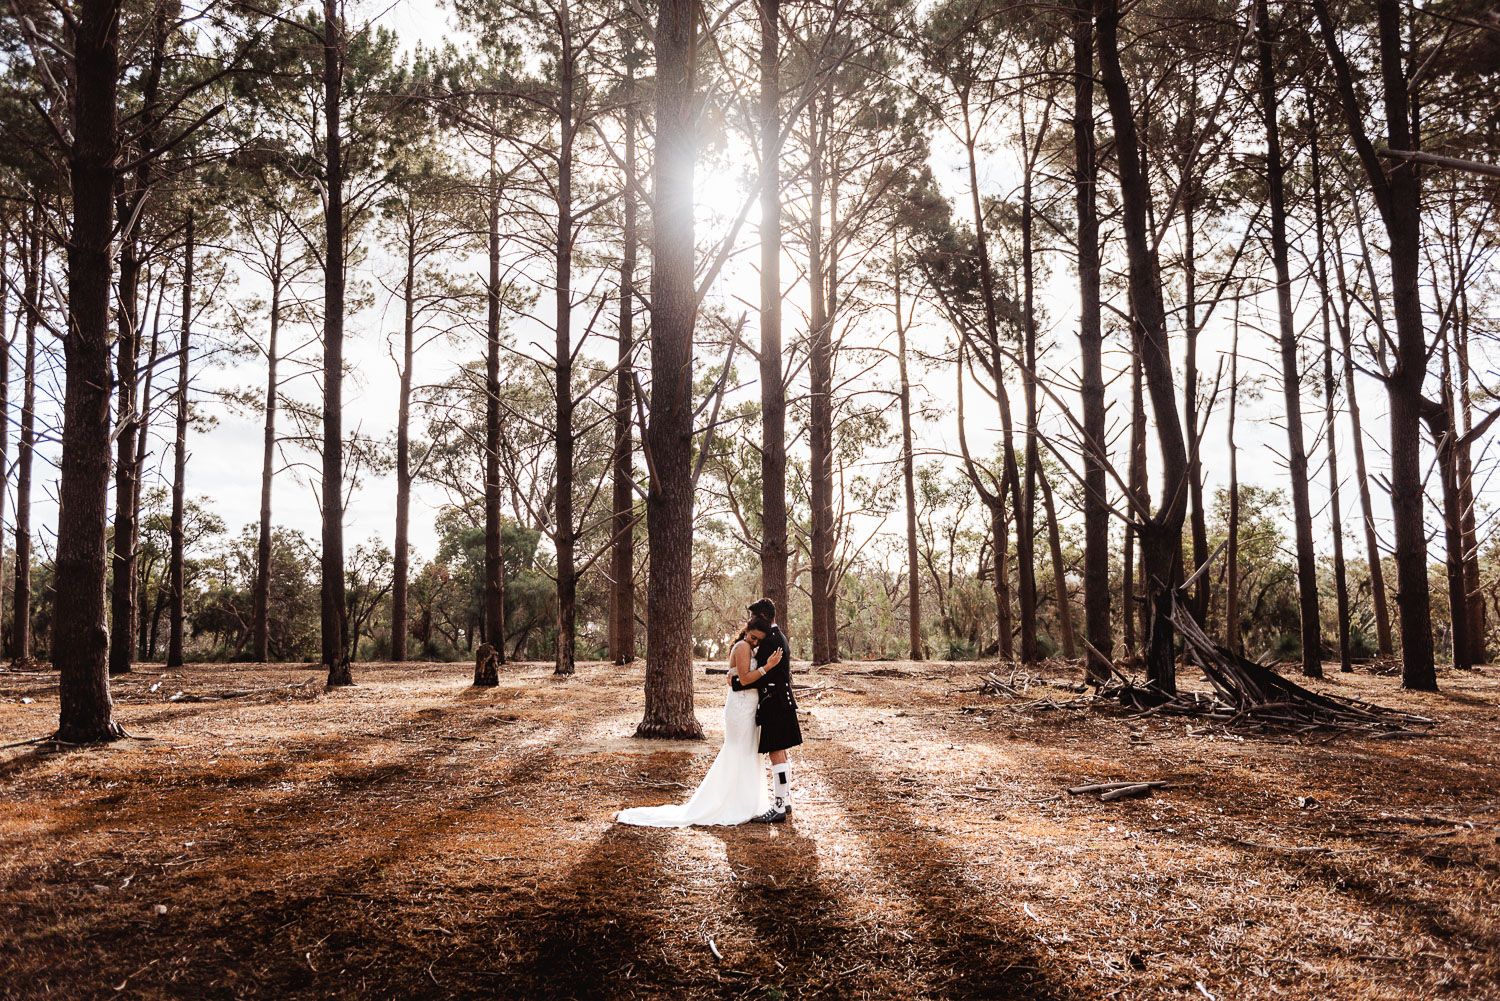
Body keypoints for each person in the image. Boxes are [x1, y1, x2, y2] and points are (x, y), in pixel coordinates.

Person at [614, 616, 785, 827]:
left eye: (758, 640)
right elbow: (745, 679)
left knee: (747, 751)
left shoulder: (748, 647)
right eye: (753, 637)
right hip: (740, 708)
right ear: (746, 630)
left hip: (748, 706)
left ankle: (745, 800)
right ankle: (730, 802)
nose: (755, 642)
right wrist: (768, 666)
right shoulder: (742, 646)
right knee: (738, 750)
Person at [740, 597, 801, 823]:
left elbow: (763, 675)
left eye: (753, 617)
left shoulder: (769, 640)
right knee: (781, 752)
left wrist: (738, 683)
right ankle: (784, 801)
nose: (751, 621)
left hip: (774, 701)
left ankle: (778, 806)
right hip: (780, 700)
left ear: (764, 617)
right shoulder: (779, 635)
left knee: (776, 752)